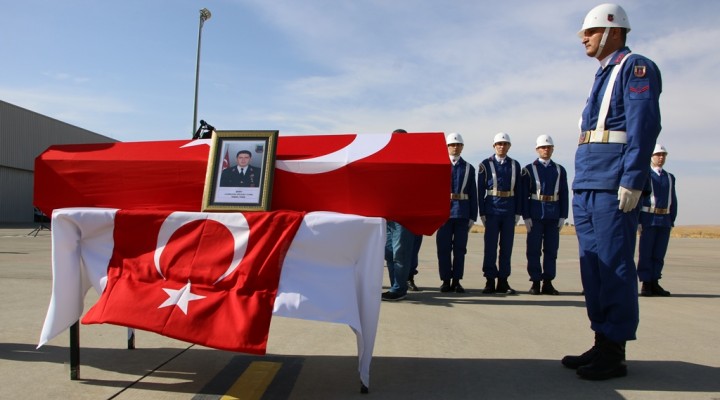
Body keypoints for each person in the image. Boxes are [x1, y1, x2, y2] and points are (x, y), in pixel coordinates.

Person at [562, 4, 662, 381]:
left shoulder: (636, 68)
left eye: (588, 32)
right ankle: (601, 338)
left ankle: (615, 350)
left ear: (613, 31)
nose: (583, 39)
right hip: (588, 179)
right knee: (593, 265)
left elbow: (643, 125)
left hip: (612, 180)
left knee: (615, 264)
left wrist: (633, 179)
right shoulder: (602, 74)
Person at [522, 135, 569, 295]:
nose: (546, 150)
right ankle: (535, 281)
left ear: (553, 149)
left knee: (551, 250)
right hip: (535, 214)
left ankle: (548, 282)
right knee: (533, 249)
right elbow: (524, 195)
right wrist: (526, 216)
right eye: (543, 147)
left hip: (553, 214)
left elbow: (564, 193)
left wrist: (563, 215)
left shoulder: (559, 169)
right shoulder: (528, 169)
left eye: (548, 147)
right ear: (537, 149)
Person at [478, 132, 522, 294]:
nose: (502, 146)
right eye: (499, 144)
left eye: (505, 144)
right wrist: (481, 212)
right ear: (494, 146)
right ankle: (489, 280)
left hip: (509, 210)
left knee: (506, 247)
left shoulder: (515, 165)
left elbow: (519, 190)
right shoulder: (485, 165)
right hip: (492, 209)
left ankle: (503, 281)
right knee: (490, 247)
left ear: (509, 146)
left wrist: (518, 212)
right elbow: (480, 190)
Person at [436, 133, 478, 293]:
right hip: (444, 214)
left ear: (462, 147)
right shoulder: (440, 165)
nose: (455, 147)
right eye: (452, 145)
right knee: (443, 249)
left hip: (462, 213)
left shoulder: (469, 168)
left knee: (460, 249)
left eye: (458, 144)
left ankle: (457, 280)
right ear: (447, 147)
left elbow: (473, 194)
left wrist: (473, 216)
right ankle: (445, 280)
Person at [638, 144, 676, 297]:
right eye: (658, 155)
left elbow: (673, 200)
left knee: (659, 253)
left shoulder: (669, 177)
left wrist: (671, 219)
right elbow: (640, 199)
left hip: (664, 219)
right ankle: (646, 283)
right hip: (649, 218)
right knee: (646, 252)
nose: (661, 158)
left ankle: (655, 281)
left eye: (663, 155)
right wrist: (639, 221)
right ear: (651, 157)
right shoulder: (645, 175)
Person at [382, 129, 416, 301]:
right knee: (388, 253)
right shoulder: (387, 160)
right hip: (388, 215)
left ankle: (399, 288)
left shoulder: (414, 162)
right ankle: (395, 286)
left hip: (404, 216)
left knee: (400, 253)